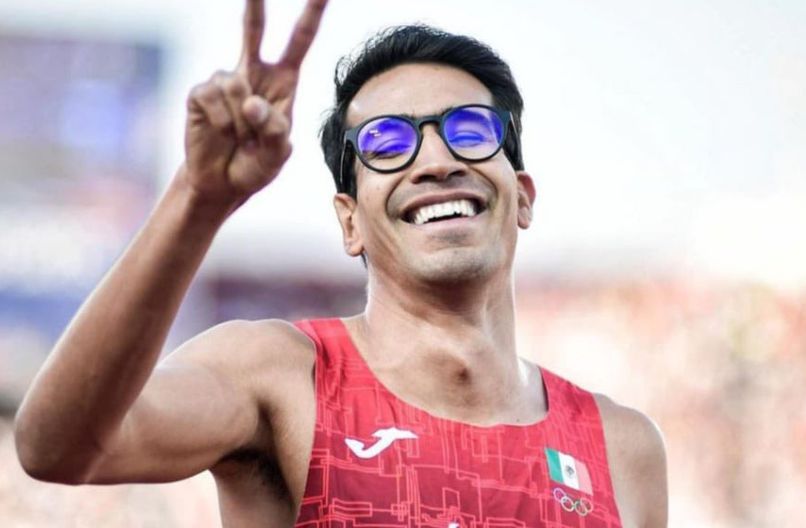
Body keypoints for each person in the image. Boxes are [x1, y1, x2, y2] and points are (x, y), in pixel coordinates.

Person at [13, 0, 668, 526]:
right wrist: (198, 198)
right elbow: (56, 446)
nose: (436, 161)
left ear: (522, 196)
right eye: (387, 142)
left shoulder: (623, 448)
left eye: (470, 131)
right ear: (349, 222)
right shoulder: (281, 376)